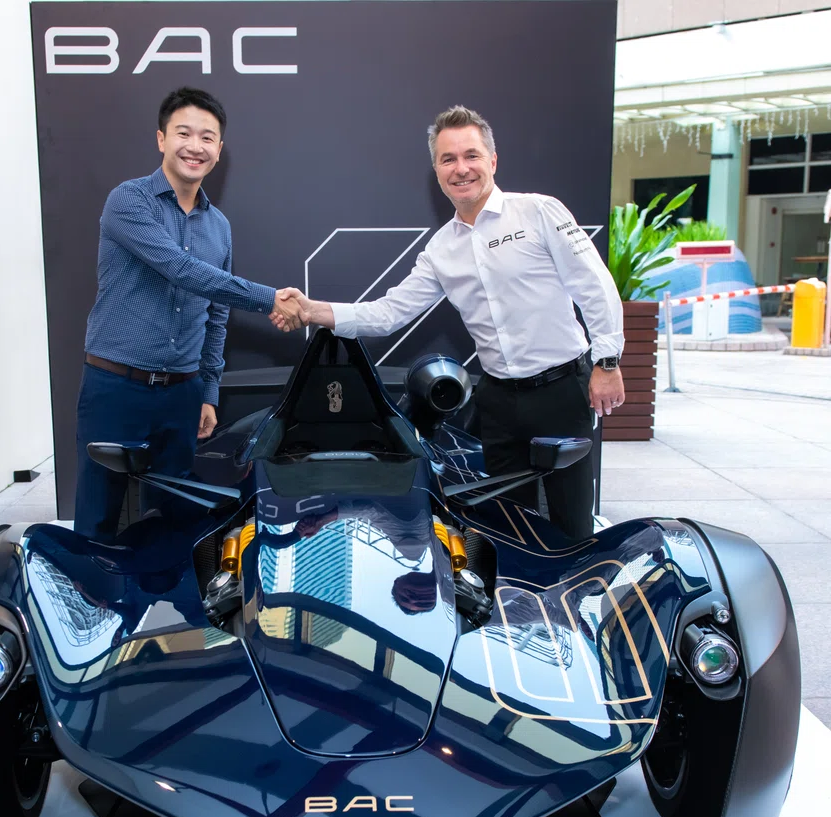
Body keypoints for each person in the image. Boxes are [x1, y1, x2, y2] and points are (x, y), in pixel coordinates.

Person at [273, 105, 625, 540]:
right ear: (437, 171)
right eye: (448, 159)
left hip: (562, 392)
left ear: (492, 161)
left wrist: (607, 363)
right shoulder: (441, 249)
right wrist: (311, 310)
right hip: (498, 402)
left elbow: (595, 286)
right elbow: (388, 312)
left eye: (471, 156)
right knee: (507, 530)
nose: (461, 169)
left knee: (572, 528)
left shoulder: (538, 212)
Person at [75, 86, 303, 541]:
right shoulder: (128, 201)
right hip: (117, 387)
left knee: (173, 520)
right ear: (161, 138)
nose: (194, 146)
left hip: (181, 394)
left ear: (219, 150)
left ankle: (169, 612)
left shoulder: (219, 226)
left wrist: (208, 390)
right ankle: (90, 606)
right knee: (98, 517)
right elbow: (181, 271)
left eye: (207, 137)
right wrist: (269, 299)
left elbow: (216, 315)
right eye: (183, 133)